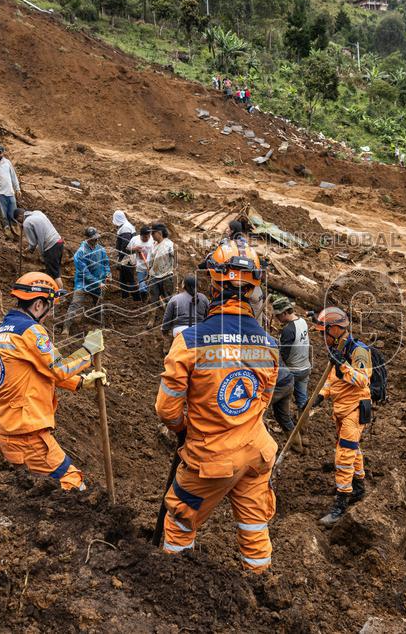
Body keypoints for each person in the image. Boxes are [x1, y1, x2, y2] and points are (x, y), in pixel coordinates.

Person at [154, 238, 278, 572]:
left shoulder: (189, 341)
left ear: (213, 281)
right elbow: (263, 398)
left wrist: (184, 427)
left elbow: (167, 410)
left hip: (210, 460)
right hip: (256, 452)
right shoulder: (268, 345)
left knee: (180, 521)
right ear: (253, 288)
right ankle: (260, 582)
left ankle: (173, 583)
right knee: (254, 527)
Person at [0, 273, 107, 491]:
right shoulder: (31, 331)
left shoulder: (6, 328)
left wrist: (79, 382)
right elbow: (58, 368)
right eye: (49, 307)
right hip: (26, 434)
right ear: (37, 305)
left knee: (31, 491)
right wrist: (88, 352)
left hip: (8, 428)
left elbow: (37, 371)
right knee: (73, 483)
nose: (50, 314)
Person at [312, 307, 372, 526]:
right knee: (352, 448)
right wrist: (320, 395)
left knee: (344, 455)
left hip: (355, 408)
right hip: (341, 407)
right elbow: (331, 378)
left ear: (336, 329)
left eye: (324, 332)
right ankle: (358, 487)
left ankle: (341, 502)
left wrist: (343, 365)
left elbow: (363, 380)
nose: (322, 337)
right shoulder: (337, 348)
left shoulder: (358, 351)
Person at [62, 227, 111, 336]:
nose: (96, 241)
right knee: (75, 304)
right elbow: (85, 272)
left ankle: (101, 326)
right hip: (83, 283)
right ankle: (66, 328)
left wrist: (108, 274)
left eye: (96, 238)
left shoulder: (101, 249)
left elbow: (106, 263)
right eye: (93, 239)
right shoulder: (81, 253)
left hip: (99, 281)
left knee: (99, 304)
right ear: (87, 239)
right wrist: (98, 283)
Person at [273, 297, 312, 411]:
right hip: (305, 367)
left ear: (285, 312)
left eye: (278, 315)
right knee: (302, 402)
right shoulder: (302, 321)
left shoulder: (288, 330)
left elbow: (283, 355)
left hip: (293, 371)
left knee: (277, 398)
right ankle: (303, 425)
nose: (277, 318)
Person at [17, 209, 65, 289]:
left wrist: (26, 250)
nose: (19, 222)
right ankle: (53, 292)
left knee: (55, 274)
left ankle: (61, 294)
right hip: (58, 242)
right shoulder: (37, 212)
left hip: (50, 246)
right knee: (55, 270)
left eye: (18, 220)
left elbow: (33, 244)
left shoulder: (27, 223)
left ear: (20, 216)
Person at [0, 145, 22, 237]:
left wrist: (17, 188)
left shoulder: (7, 162)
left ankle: (16, 231)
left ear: (3, 153)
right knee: (3, 215)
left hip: (10, 192)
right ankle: (7, 231)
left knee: (13, 213)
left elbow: (13, 176)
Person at [146, 223, 176, 325]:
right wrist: (148, 273)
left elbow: (175, 260)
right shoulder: (153, 245)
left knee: (168, 298)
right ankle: (151, 319)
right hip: (154, 276)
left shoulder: (169, 244)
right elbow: (150, 260)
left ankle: (170, 319)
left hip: (166, 275)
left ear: (159, 233)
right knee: (152, 299)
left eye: (153, 233)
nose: (151, 236)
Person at [112, 210, 137, 299]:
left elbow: (125, 245)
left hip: (127, 257)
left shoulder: (125, 228)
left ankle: (136, 298)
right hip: (129, 256)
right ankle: (125, 297)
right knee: (123, 278)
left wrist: (120, 259)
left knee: (129, 278)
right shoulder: (127, 225)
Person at [126, 224, 153, 302]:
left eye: (148, 236)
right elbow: (127, 249)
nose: (147, 238)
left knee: (150, 285)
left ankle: (149, 298)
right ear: (141, 235)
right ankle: (143, 299)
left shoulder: (152, 240)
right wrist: (135, 249)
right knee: (142, 287)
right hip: (140, 267)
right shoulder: (135, 239)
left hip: (151, 267)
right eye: (145, 237)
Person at [268, 362, 295, 433]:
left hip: (278, 383)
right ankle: (296, 443)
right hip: (288, 378)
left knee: (257, 412)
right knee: (284, 418)